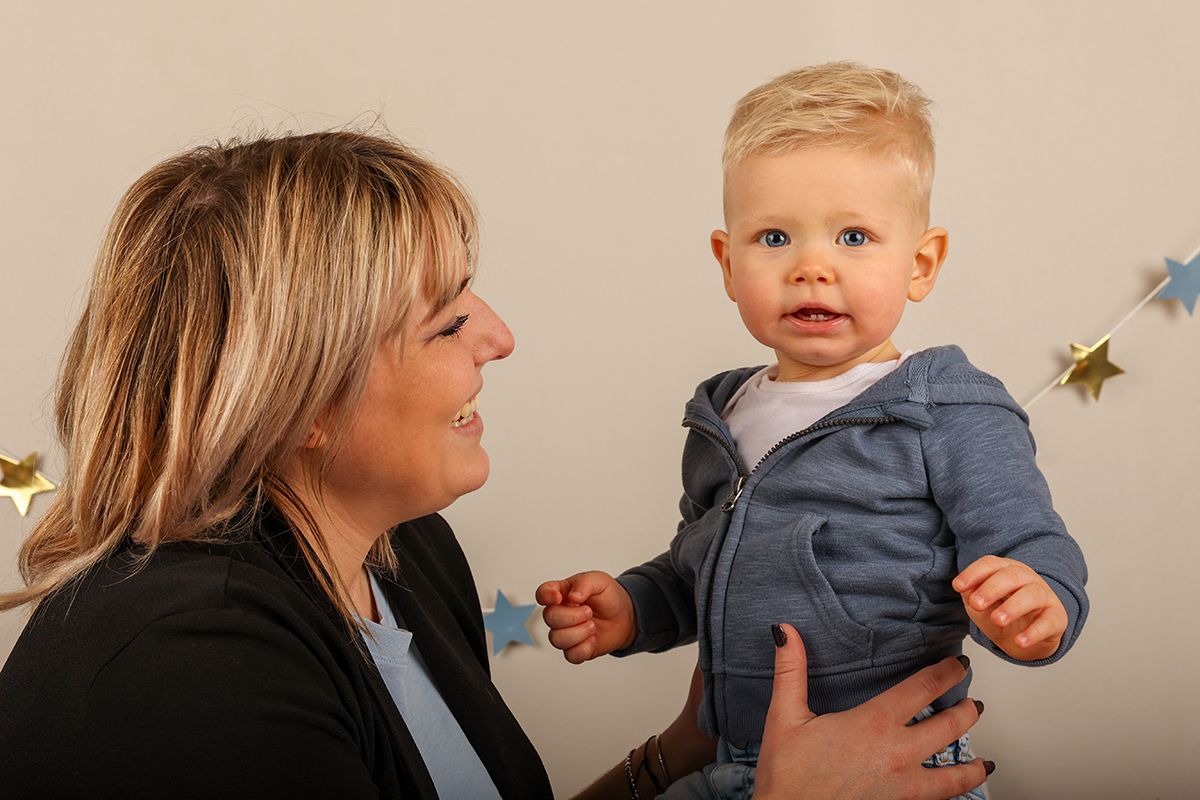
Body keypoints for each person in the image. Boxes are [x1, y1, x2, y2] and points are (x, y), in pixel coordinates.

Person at [0, 130, 989, 799]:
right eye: (447, 320)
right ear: (300, 397)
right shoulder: (187, 673)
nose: (501, 337)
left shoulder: (405, 554)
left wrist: (673, 757)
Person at [538, 63, 1088, 798]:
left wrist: (1039, 606)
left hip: (893, 764)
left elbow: (1029, 544)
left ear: (921, 264)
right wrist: (634, 608)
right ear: (726, 262)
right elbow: (697, 566)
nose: (812, 268)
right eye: (773, 237)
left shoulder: (948, 409)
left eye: (854, 235)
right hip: (734, 759)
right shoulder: (724, 414)